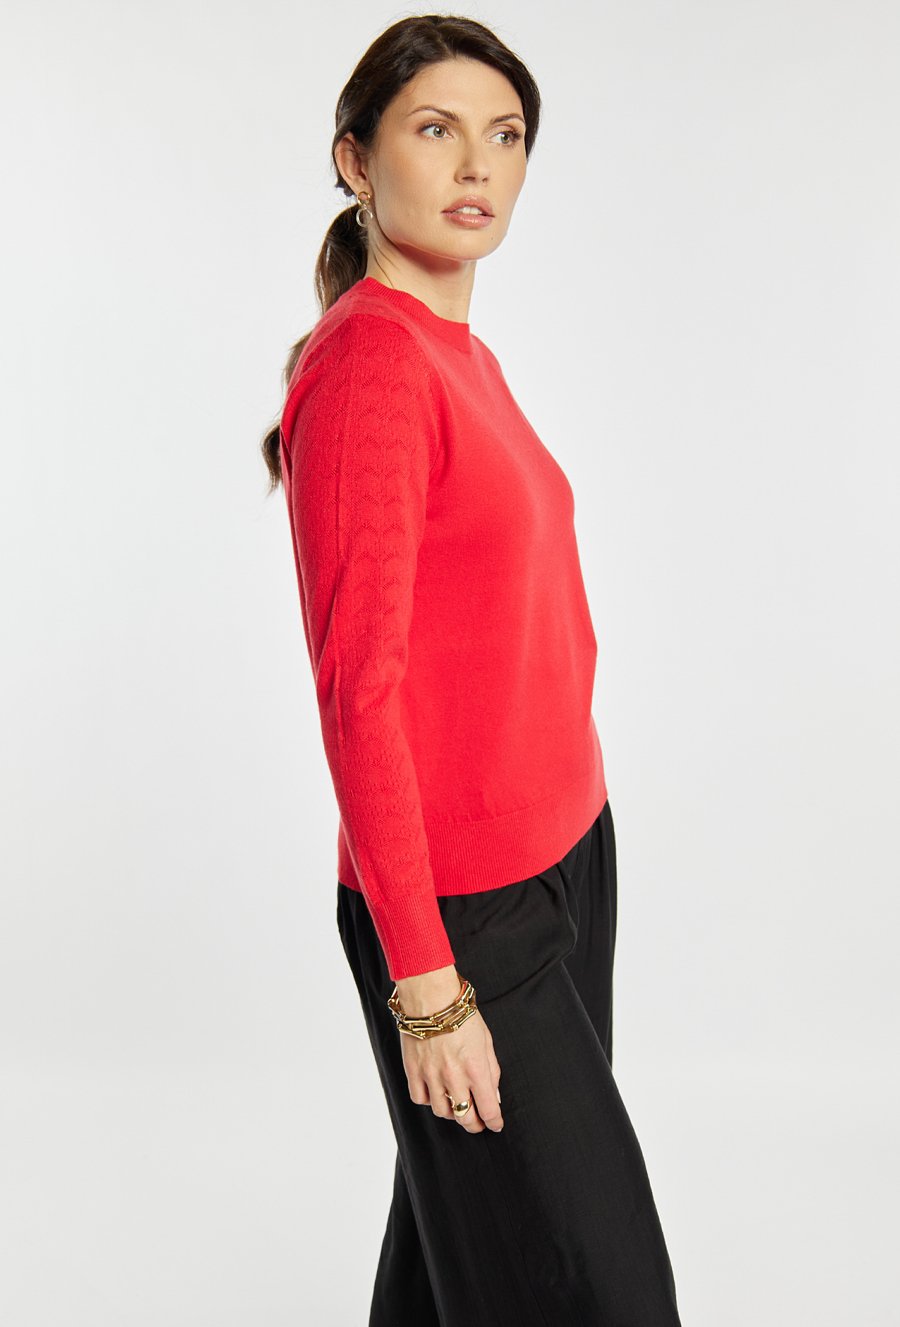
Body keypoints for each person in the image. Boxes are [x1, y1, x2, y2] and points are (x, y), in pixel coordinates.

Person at [260, 14, 683, 1325]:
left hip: (565, 854)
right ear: (355, 158)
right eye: (435, 129)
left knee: (474, 1259)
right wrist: (428, 986)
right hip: (466, 907)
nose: (477, 164)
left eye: (505, 136)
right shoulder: (373, 365)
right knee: (596, 1292)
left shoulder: (457, 354)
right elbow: (359, 692)